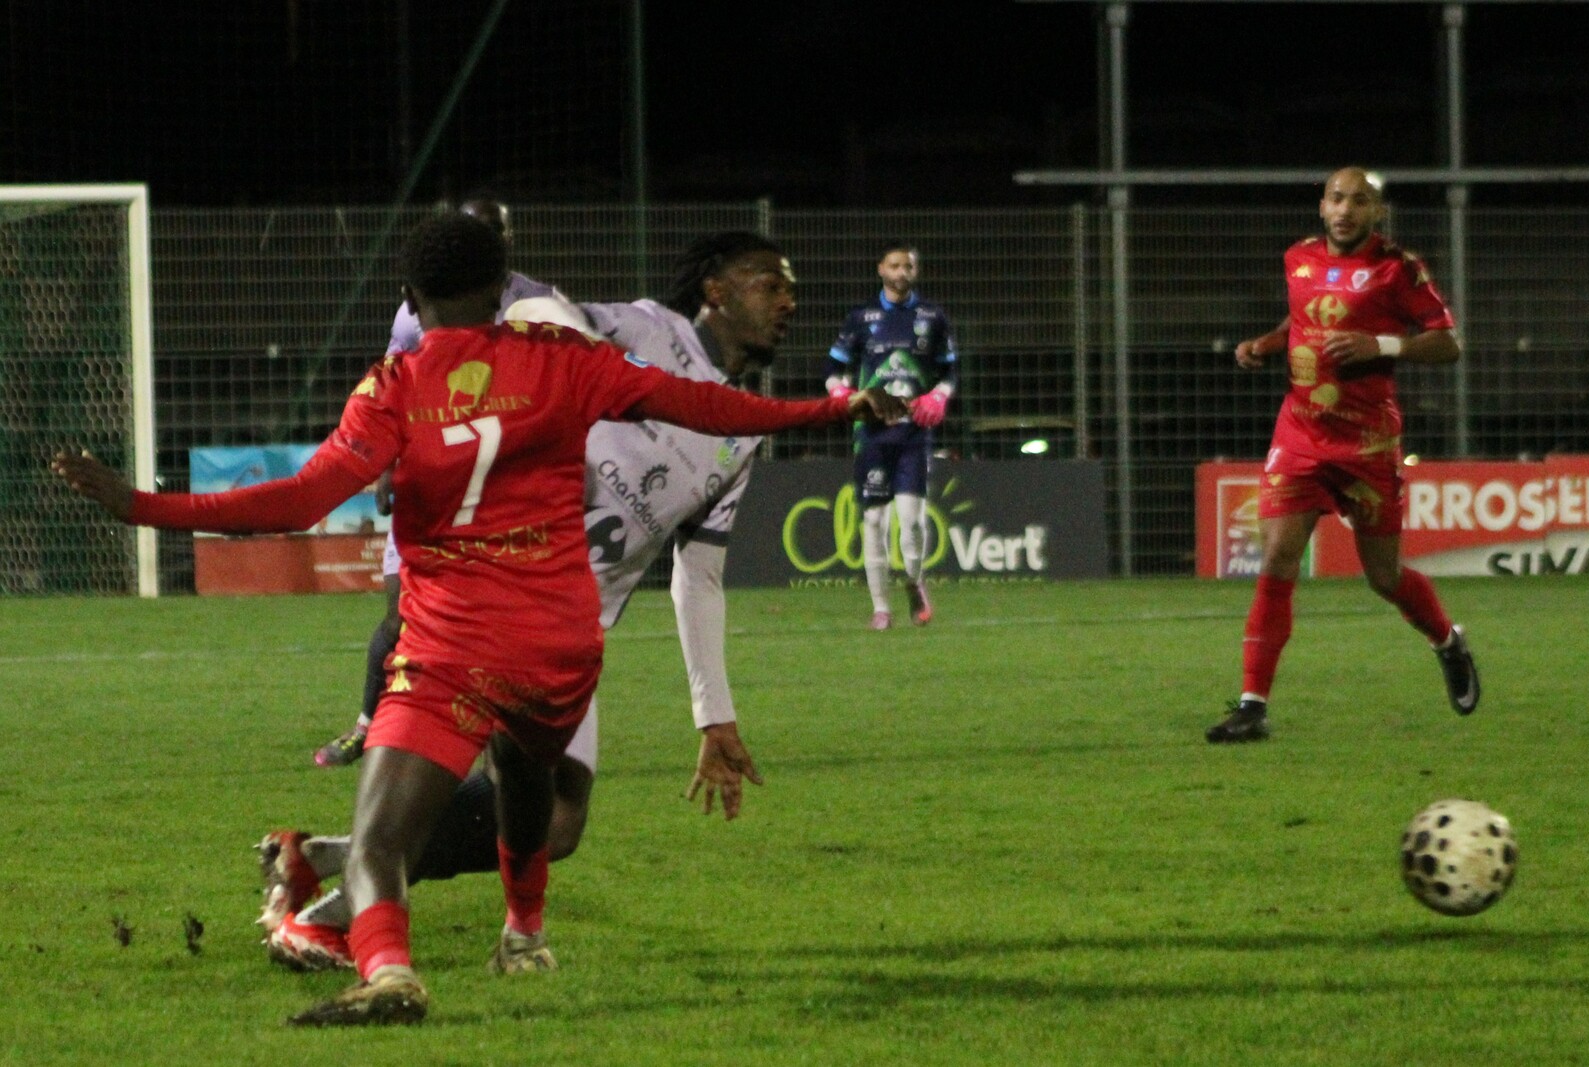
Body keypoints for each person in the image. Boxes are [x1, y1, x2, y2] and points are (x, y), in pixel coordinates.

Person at [52, 213, 901, 1027]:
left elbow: (301, 499)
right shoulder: (570, 358)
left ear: (409, 296)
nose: (784, 299)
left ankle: (386, 968)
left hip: (456, 638)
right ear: (500, 293)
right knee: (532, 794)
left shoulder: (396, 386)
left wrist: (142, 505)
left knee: (385, 837)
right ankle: (523, 933)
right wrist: (833, 410)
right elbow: (703, 405)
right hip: (563, 644)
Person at [256, 231, 808, 971]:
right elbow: (518, 304)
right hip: (489, 595)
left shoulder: (738, 432)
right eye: (769, 284)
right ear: (716, 289)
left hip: (564, 630)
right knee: (484, 792)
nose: (786, 301)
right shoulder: (646, 330)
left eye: (790, 289)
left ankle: (322, 861)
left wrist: (715, 714)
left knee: (555, 822)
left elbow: (698, 575)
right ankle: (327, 918)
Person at [1206, 166, 1480, 744]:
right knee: (1277, 558)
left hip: (1368, 442)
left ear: (1377, 212)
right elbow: (1304, 316)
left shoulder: (1398, 269)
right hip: (1300, 435)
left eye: (1359, 201)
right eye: (1337, 198)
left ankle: (1447, 641)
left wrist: (1380, 344)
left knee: (1383, 576)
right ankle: (1252, 706)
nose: (1346, 210)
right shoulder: (1298, 258)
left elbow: (1449, 344)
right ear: (1322, 205)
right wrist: (1268, 342)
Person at [314, 195, 558, 768]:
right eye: (474, 231)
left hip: (506, 491)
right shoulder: (416, 312)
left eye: (495, 232)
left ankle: (503, 739)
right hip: (431, 481)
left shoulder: (542, 307)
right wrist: (386, 465)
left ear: (508, 239)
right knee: (401, 613)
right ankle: (368, 726)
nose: (485, 242)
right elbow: (395, 382)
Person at [824, 241, 958, 630]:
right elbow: (832, 369)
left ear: (915, 272)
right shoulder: (861, 318)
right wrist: (842, 393)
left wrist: (939, 395)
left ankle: (915, 582)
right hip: (872, 434)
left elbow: (950, 371)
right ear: (881, 269)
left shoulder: (931, 316)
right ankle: (881, 608)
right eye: (895, 265)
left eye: (908, 267)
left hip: (914, 434)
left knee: (912, 520)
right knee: (874, 521)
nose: (901, 272)